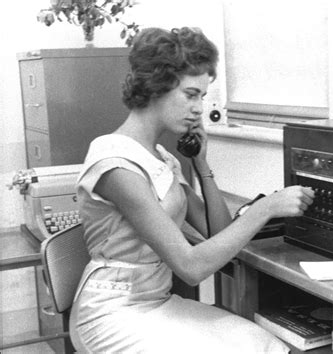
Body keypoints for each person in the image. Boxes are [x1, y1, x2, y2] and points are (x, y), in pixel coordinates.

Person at [70, 26, 315, 353]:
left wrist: (201, 164)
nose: (200, 109)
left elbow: (220, 234)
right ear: (156, 87)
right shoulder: (115, 164)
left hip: (157, 302)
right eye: (191, 94)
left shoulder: (163, 159)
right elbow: (192, 266)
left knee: (267, 346)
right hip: (111, 313)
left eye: (202, 96)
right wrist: (266, 207)